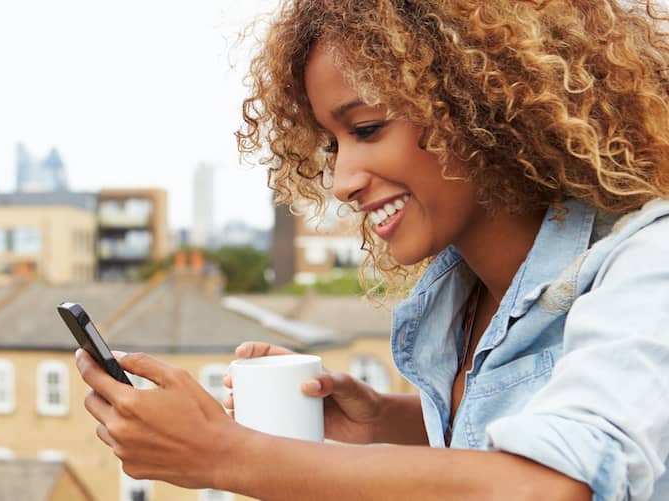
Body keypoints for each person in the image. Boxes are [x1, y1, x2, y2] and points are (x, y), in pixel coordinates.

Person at [74, 0, 669, 499]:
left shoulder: (649, 262)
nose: (342, 181)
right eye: (333, 146)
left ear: (482, 106)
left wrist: (225, 455)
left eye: (365, 129)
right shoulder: (462, 291)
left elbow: (556, 483)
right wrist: (383, 419)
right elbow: (514, 434)